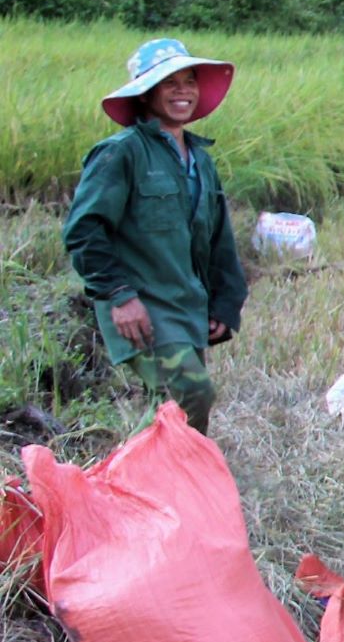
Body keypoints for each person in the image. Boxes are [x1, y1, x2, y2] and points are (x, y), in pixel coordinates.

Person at [64, 38, 247, 436]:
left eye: (189, 81)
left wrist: (225, 303)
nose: (183, 91)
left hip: (186, 306)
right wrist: (119, 296)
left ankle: (146, 492)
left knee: (172, 414)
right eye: (170, 83)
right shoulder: (121, 154)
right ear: (146, 93)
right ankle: (148, 490)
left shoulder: (200, 160)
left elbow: (219, 240)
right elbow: (84, 230)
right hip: (142, 307)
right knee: (190, 396)